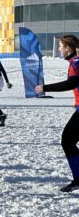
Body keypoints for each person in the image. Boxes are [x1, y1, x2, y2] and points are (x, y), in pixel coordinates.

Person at [35, 35, 79, 193]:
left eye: (60, 46)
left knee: (67, 141)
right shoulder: (74, 62)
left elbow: (71, 83)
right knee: (68, 141)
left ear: (68, 48)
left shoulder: (76, 63)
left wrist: (45, 88)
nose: (59, 49)